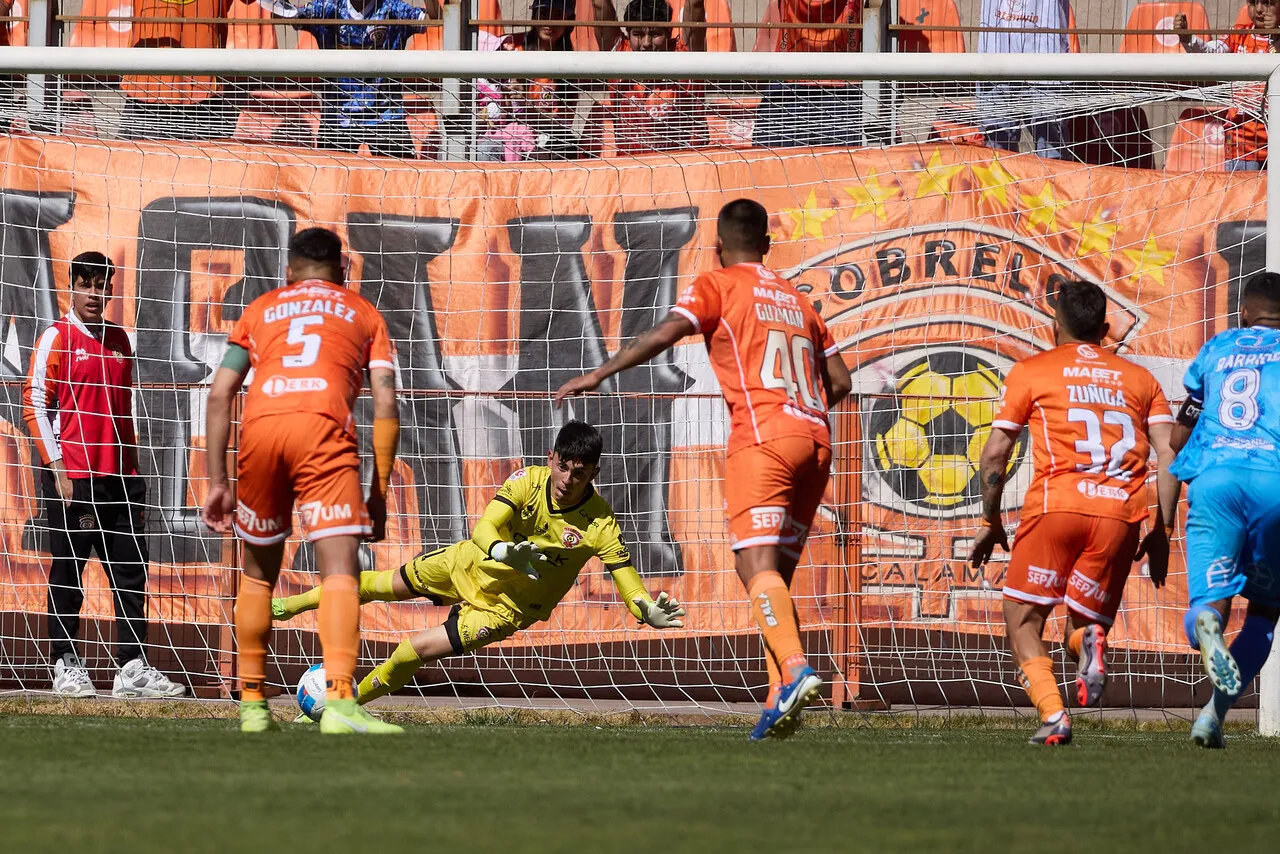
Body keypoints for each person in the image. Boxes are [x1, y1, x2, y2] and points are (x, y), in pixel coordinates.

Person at [555, 199, 852, 740]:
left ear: (717, 245)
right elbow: (842, 382)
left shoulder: (717, 284)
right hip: (816, 441)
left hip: (764, 439)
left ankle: (797, 671)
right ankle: (778, 698)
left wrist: (600, 374)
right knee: (776, 580)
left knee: (751, 568)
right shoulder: (798, 300)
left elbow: (664, 333)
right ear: (767, 243)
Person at [272, 420, 687, 707]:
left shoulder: (600, 523)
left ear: (594, 472)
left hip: (504, 608)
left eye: (578, 474)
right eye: (561, 466)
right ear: (551, 457)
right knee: (378, 585)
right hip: (467, 564)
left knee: (411, 650)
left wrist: (646, 609)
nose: (566, 479)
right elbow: (484, 528)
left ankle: (345, 703)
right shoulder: (526, 481)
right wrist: (505, 552)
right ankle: (290, 606)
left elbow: (629, 585)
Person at [201, 227, 403, 734]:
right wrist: (377, 493)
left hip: (263, 434)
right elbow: (385, 403)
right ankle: (339, 703)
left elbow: (221, 391)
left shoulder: (261, 308)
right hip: (322, 431)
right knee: (339, 572)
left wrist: (217, 481)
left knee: (257, 575)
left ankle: (252, 705)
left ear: (289, 272)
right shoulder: (363, 313)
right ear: (343, 270)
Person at [971, 281, 1176, 746]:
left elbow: (994, 455)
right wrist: (1162, 528)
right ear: (1105, 329)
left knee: (1023, 619)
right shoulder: (1140, 379)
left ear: (1052, 326)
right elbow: (1168, 454)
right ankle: (1089, 643)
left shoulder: (1032, 371)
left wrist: (990, 521)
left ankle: (1053, 714)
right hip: (1121, 517)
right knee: (1082, 625)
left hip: (1056, 508)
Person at [22, 252, 186, 699]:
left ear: (111, 290)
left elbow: (122, 411)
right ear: (72, 287)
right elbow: (35, 403)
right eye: (87, 284)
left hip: (122, 479)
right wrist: (56, 467)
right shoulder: (56, 337)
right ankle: (65, 663)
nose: (95, 293)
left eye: (102, 285)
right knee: (68, 574)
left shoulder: (120, 341)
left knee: (131, 572)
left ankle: (131, 667)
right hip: (73, 477)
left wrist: (133, 470)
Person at [1159, 271, 1280, 749]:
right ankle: (1213, 715)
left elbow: (1178, 435)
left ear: (1244, 312)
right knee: (1266, 613)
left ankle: (1205, 628)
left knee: (1207, 605)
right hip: (1274, 485)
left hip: (1216, 482)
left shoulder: (1218, 347)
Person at [256, 0, 439, 158]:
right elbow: (284, 16)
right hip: (338, 118)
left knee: (400, 182)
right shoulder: (329, 7)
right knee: (332, 184)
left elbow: (433, 19)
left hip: (386, 117)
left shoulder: (391, 7)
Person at [591, 0, 709, 155]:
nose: (646, 43)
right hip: (634, 172)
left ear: (669, 31)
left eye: (655, 34)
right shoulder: (619, 56)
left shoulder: (684, 54)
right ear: (628, 33)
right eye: (638, 34)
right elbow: (600, 6)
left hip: (685, 169)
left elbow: (695, 6)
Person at [1176, 0, 1278, 172]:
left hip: (1275, 139)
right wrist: (1188, 39)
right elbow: (1211, 53)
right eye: (1253, 3)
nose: (1260, 10)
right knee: (1243, 198)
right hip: (1243, 144)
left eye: (1268, 3)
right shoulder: (1238, 35)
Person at [475, 0, 583, 161]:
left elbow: (562, 125)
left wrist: (527, 107)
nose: (549, 23)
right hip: (501, 134)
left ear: (570, 21)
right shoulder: (508, 46)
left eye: (558, 16)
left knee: (567, 145)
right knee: (487, 149)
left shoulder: (571, 67)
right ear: (533, 16)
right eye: (544, 14)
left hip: (542, 139)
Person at [751, 0, 862, 148]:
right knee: (845, 166)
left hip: (788, 88)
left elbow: (760, 56)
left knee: (774, 165)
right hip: (843, 90)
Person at [976, 0, 1071, 158]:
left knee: (1050, 147)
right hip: (995, 58)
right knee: (997, 150)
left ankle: (1052, 183)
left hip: (1045, 59)